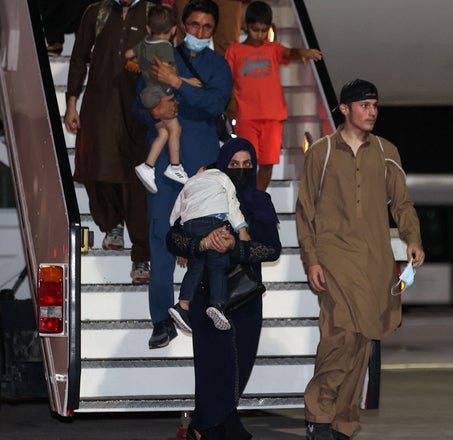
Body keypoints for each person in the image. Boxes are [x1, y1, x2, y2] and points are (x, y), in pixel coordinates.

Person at [295, 78, 425, 440]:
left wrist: (412, 238)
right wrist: (312, 260)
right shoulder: (320, 153)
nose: (371, 112)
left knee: (361, 343)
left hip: (374, 262)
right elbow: (306, 213)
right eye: (364, 105)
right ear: (345, 109)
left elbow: (402, 203)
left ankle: (342, 425)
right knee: (339, 337)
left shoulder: (386, 152)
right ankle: (319, 417)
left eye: (374, 105)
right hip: (334, 260)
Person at [166, 137, 281, 440]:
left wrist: (234, 247)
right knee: (215, 365)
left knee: (239, 367)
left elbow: (271, 248)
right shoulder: (205, 193)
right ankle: (232, 435)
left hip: (244, 295)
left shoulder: (260, 201)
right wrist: (202, 243)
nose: (242, 171)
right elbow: (173, 237)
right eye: (234, 165)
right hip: (206, 294)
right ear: (222, 166)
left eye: (248, 165)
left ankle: (201, 427)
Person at [131, 0, 232, 349]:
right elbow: (137, 107)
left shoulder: (219, 65)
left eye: (206, 28)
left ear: (213, 31)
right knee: (160, 239)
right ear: (180, 26)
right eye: (194, 25)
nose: (199, 33)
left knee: (206, 243)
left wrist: (178, 83)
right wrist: (153, 109)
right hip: (163, 167)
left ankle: (198, 311)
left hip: (204, 165)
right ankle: (161, 320)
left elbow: (216, 104)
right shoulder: (159, 55)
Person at [64, 0, 152, 285]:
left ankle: (141, 256)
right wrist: (72, 103)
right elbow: (79, 58)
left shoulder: (153, 13)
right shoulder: (96, 12)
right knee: (95, 165)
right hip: (98, 104)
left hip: (140, 109)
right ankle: (111, 224)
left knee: (137, 182)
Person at [224, 0, 322, 191]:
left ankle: (258, 198)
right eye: (255, 30)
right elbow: (227, 80)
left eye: (263, 30)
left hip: (273, 116)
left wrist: (303, 51)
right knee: (247, 161)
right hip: (247, 116)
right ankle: (246, 197)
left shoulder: (272, 48)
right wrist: (231, 106)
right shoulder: (234, 51)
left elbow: (289, 52)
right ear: (246, 25)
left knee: (268, 162)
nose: (260, 35)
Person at [168, 165, 249, 333]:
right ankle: (217, 304)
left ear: (201, 169)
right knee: (217, 265)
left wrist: (181, 246)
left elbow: (176, 211)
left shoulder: (189, 182)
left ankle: (182, 305)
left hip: (190, 226)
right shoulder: (222, 177)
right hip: (214, 221)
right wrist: (241, 228)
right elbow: (232, 203)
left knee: (195, 267)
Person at [127, 4, 194, 193]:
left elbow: (127, 56)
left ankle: (147, 166)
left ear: (148, 28)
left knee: (163, 133)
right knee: (175, 128)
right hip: (159, 95)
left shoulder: (144, 43)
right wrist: (186, 81)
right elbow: (169, 74)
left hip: (147, 95)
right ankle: (175, 166)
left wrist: (138, 64)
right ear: (174, 30)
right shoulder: (166, 48)